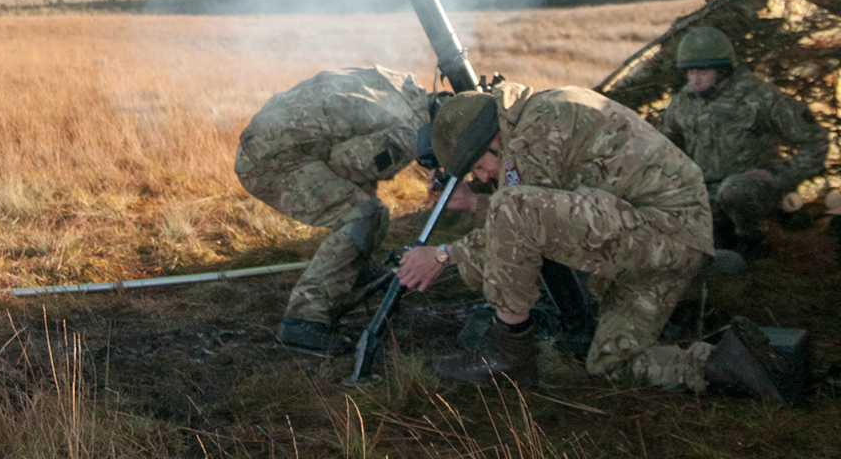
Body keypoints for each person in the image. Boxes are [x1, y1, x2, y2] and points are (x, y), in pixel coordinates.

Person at [396, 85, 787, 402]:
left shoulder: (539, 129)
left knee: (512, 206)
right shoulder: (532, 115)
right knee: (608, 365)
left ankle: (509, 355)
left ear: (494, 137)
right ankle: (727, 362)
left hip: (663, 235)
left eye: (481, 166)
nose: (482, 176)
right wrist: (476, 203)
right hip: (663, 244)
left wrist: (444, 255)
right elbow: (541, 213)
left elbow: (519, 217)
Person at [235, 65, 435, 353]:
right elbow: (348, 164)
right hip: (269, 163)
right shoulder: (407, 129)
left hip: (280, 144)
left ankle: (351, 269)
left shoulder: (403, 88)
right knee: (365, 214)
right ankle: (303, 319)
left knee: (364, 205)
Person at [660, 26, 829, 260]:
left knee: (735, 191)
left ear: (722, 70)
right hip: (706, 191)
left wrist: (781, 175)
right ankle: (720, 232)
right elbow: (666, 147)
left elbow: (814, 141)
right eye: (690, 72)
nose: (694, 79)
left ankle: (755, 238)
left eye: (702, 71)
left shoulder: (760, 97)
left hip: (752, 189)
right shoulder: (683, 101)